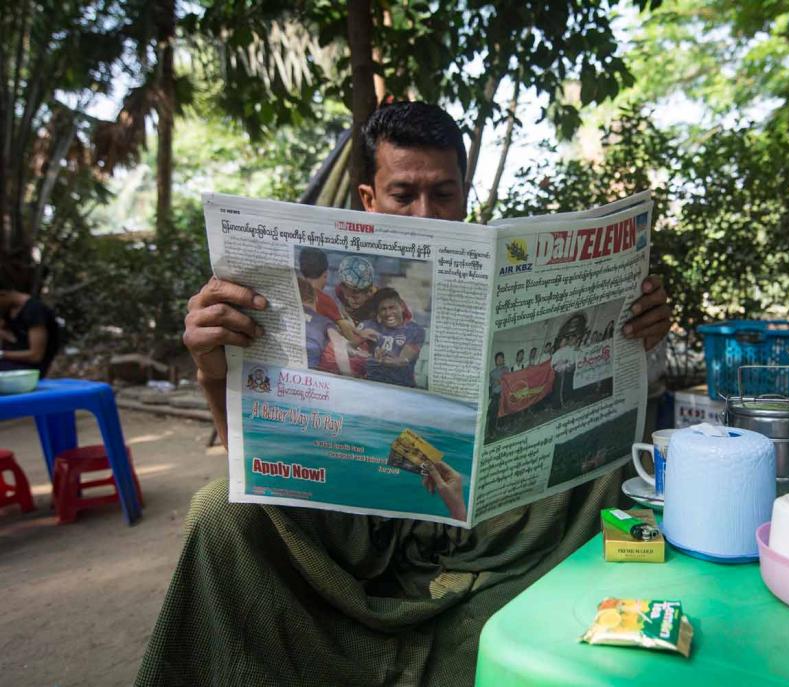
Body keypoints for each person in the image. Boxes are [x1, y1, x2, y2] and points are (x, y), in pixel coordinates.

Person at [144, 101, 673, 687]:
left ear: (465, 194)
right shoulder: (339, 303)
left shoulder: (492, 272)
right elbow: (258, 467)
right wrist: (210, 367)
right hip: (356, 532)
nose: (428, 212)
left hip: (500, 536)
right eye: (404, 195)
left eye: (444, 194)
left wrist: (636, 337)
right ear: (369, 199)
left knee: (613, 479)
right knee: (221, 511)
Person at [354, 287, 425, 388]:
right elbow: (348, 347)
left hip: (402, 387)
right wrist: (361, 342)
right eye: (383, 309)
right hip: (372, 384)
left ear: (402, 307)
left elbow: (403, 359)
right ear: (378, 312)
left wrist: (388, 361)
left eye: (392, 308)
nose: (388, 313)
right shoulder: (369, 326)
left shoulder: (415, 330)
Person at [0, 280, 60, 376]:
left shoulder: (34, 311)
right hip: (8, 363)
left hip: (28, 370)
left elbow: (36, 356)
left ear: (2, 294)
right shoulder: (8, 309)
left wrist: (2, 354)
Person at [487, 351, 508, 439]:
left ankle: (501, 427)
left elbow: (507, 380)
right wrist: (499, 382)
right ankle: (491, 432)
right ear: (495, 361)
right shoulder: (492, 373)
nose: (499, 360)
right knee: (493, 413)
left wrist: (500, 381)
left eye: (501, 358)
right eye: (498, 359)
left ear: (503, 360)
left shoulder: (506, 369)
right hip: (496, 395)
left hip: (504, 394)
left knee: (505, 411)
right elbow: (492, 385)